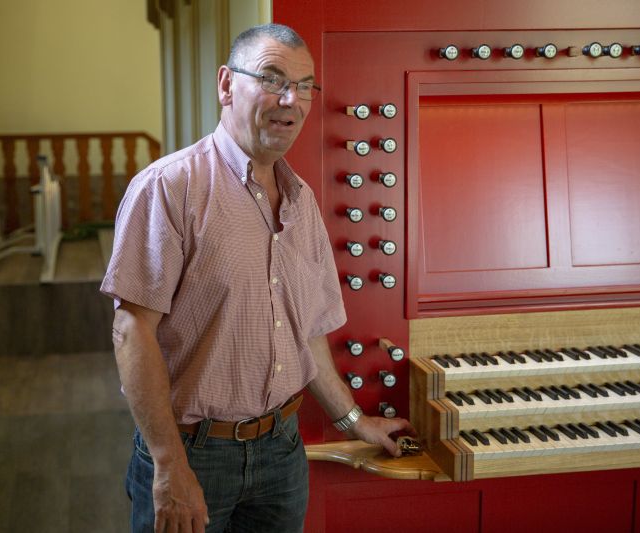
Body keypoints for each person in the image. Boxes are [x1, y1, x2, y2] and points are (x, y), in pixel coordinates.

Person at [101, 23, 414, 533]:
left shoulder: (302, 201)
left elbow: (305, 329)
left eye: (305, 86)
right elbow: (132, 331)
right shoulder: (168, 188)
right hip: (193, 452)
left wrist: (353, 420)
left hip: (282, 452)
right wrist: (169, 464)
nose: (291, 100)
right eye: (272, 79)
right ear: (227, 84)